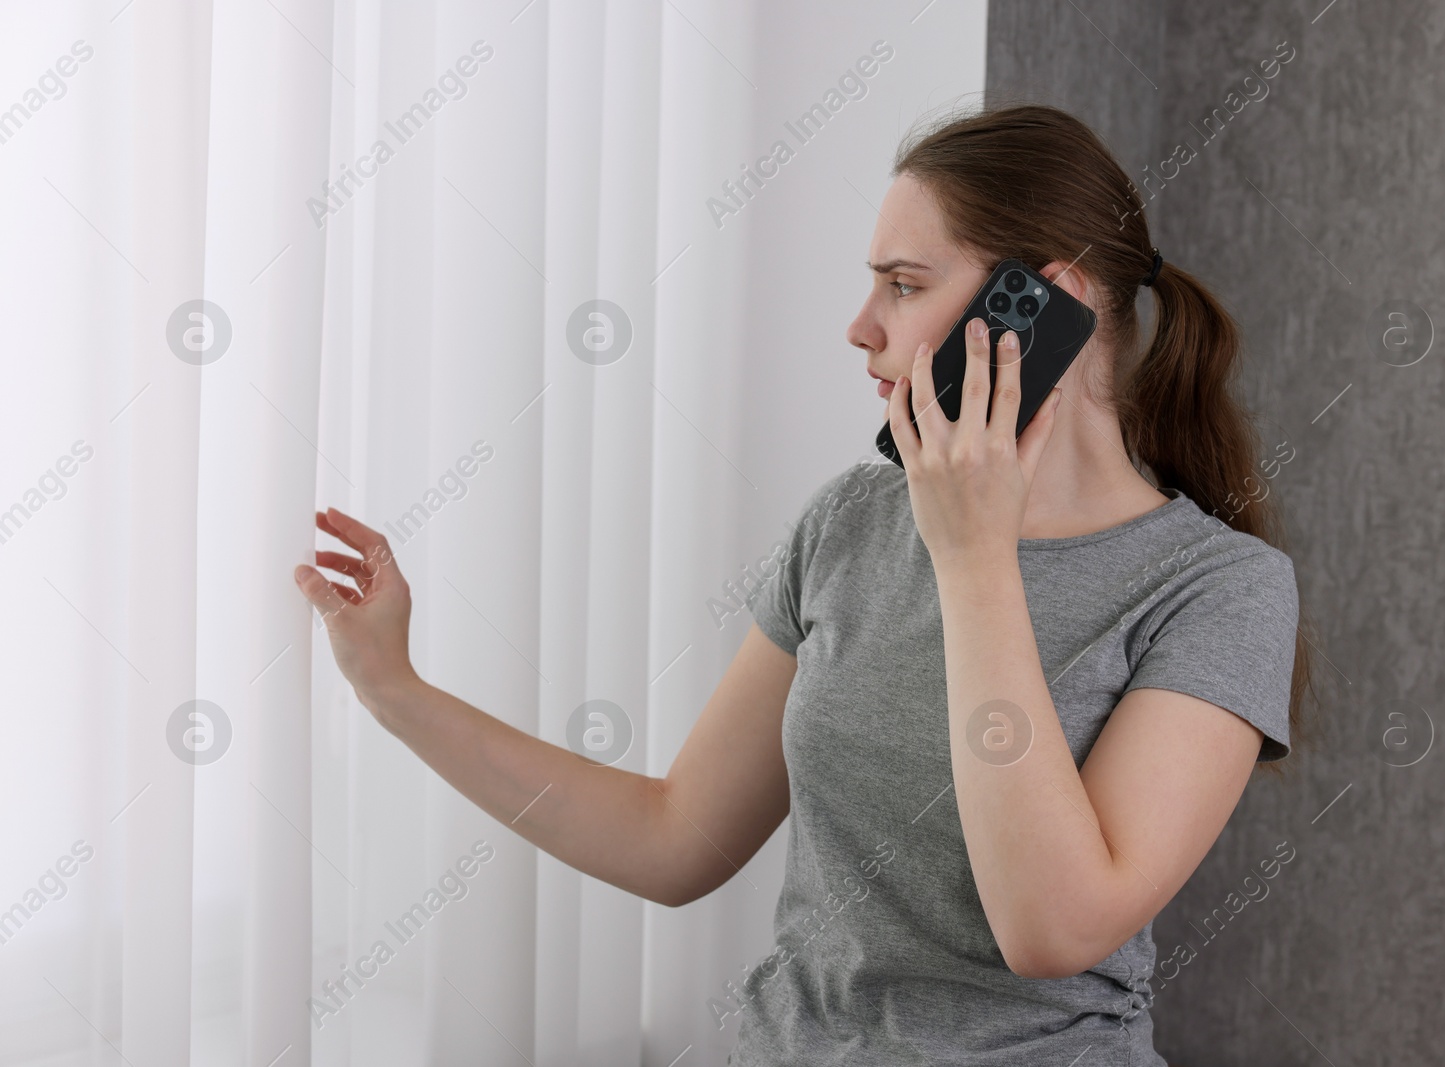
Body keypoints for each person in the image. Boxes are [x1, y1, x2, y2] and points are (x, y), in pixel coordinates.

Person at [294, 102, 1316, 1066]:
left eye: (904, 284)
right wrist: (395, 689)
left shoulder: (1218, 589)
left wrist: (973, 561)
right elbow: (673, 838)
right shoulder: (850, 521)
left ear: (1044, 305)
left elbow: (1051, 926)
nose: (860, 326)